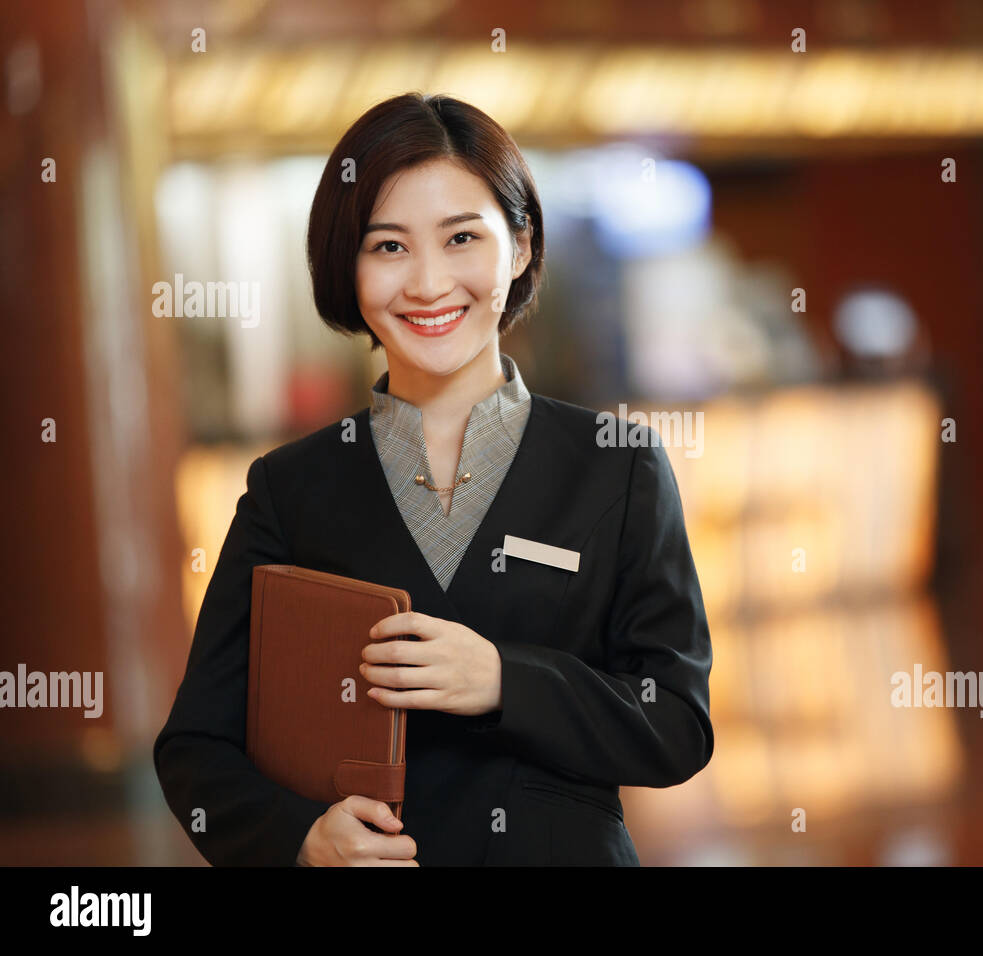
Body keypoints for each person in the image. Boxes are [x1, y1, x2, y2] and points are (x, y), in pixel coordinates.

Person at [153, 92, 714, 866]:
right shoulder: (291, 489)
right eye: (388, 247)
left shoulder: (617, 464)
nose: (426, 284)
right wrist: (300, 839)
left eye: (460, 238)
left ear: (519, 247)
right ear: (346, 268)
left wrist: (503, 679)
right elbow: (196, 747)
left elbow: (677, 723)